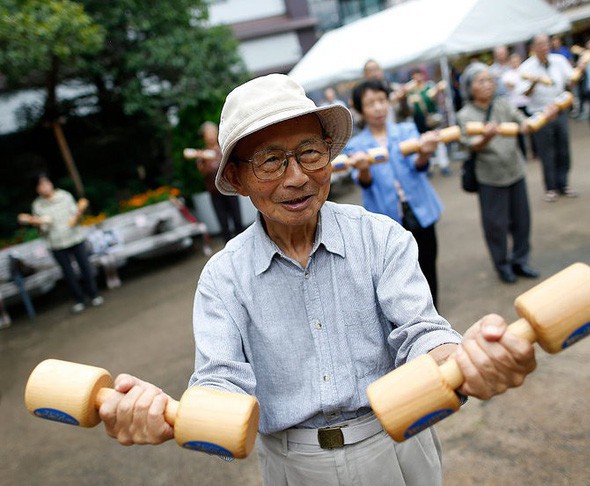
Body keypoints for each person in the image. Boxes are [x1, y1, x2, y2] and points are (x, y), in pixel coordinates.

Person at [97, 74, 537, 486]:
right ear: (235, 176)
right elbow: (220, 380)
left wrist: (463, 361)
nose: (298, 177)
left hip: (397, 443)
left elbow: (420, 331)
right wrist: (161, 413)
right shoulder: (223, 277)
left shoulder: (379, 237)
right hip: (293, 466)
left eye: (310, 152)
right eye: (270, 161)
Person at [346, 78, 444, 308]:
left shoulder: (407, 130)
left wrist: (426, 153)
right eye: (370, 103)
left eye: (381, 100)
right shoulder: (357, 145)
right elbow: (365, 183)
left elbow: (418, 167)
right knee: (400, 271)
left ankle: (434, 313)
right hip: (387, 216)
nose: (378, 107)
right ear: (360, 110)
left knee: (428, 262)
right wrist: (363, 169)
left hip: (419, 209)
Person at [457, 63, 540, 284]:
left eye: (490, 80)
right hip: (489, 177)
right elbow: (469, 144)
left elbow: (523, 123)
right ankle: (502, 264)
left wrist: (537, 120)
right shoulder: (465, 115)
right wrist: (486, 137)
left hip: (515, 170)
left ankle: (521, 260)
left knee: (522, 221)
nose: (487, 85)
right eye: (480, 81)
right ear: (469, 87)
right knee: (495, 226)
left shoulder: (504, 104)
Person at [17, 174, 103, 314]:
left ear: (51, 183)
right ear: (37, 189)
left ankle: (94, 295)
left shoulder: (64, 196)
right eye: (40, 186)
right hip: (56, 243)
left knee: (85, 267)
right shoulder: (38, 205)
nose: (44, 187)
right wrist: (35, 222)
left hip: (75, 238)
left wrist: (78, 213)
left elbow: (75, 217)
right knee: (68, 273)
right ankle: (79, 300)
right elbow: (43, 229)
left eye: (46, 183)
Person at [519, 33, 577, 203]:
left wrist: (576, 74)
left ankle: (564, 184)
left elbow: (570, 80)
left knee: (563, 148)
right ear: (533, 48)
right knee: (546, 152)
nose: (544, 46)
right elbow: (525, 93)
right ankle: (550, 188)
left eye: (546, 43)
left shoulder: (559, 60)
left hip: (559, 109)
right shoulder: (527, 67)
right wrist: (535, 82)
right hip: (540, 114)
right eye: (540, 44)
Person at [195, 121, 244, 243]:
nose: (210, 135)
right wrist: (204, 159)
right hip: (215, 193)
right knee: (223, 223)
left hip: (231, 190)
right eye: (207, 133)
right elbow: (202, 173)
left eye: (212, 132)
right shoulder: (201, 155)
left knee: (237, 220)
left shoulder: (224, 149)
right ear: (204, 137)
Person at [501, 52, 534, 159]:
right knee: (519, 131)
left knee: (532, 128)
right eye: (513, 61)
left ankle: (535, 151)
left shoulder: (526, 71)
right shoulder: (507, 75)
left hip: (527, 103)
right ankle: (523, 154)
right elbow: (511, 85)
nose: (515, 63)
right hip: (516, 105)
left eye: (516, 61)